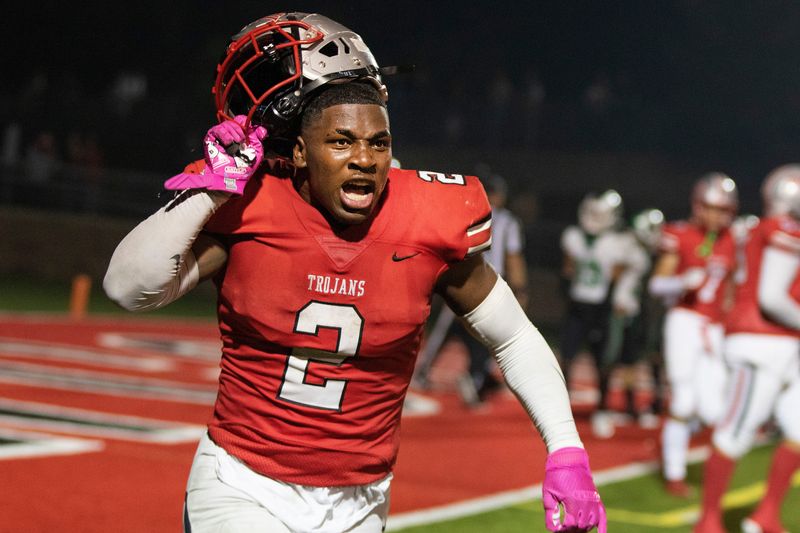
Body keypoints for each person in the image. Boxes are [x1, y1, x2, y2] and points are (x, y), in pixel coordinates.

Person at [103, 12, 606, 533]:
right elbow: (127, 287)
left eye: (378, 144)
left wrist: (566, 451)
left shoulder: (425, 221)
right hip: (242, 485)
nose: (363, 159)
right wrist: (212, 186)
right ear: (299, 151)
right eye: (340, 142)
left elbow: (515, 337)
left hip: (362, 501)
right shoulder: (251, 206)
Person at [694, 165, 800, 533]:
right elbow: (772, 297)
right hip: (762, 342)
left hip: (782, 344)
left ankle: (766, 514)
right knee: (734, 433)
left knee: (799, 427)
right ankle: (708, 520)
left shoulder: (757, 229)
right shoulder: (782, 229)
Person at [648, 172, 738, 498]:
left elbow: (730, 289)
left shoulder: (733, 240)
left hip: (714, 326)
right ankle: (674, 471)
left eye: (723, 209)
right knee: (684, 399)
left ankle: (672, 435)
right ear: (698, 206)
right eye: (711, 207)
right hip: (684, 321)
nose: (717, 215)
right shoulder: (681, 235)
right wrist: (682, 282)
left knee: (715, 409)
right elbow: (656, 284)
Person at [414, 173, 530, 406]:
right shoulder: (507, 221)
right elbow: (513, 258)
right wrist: (520, 289)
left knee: (445, 329)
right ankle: (477, 376)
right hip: (490, 283)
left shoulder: (464, 212)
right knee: (488, 333)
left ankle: (424, 371)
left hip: (460, 277)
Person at [559, 189, 648, 438]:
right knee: (566, 356)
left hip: (602, 306)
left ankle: (601, 408)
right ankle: (558, 411)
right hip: (578, 304)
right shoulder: (573, 236)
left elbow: (630, 269)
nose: (594, 218)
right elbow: (568, 270)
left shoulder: (619, 243)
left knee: (603, 361)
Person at [603, 208, 664, 429]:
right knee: (613, 355)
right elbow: (614, 273)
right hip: (622, 307)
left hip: (635, 308)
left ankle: (630, 406)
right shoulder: (628, 246)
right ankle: (607, 405)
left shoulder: (640, 249)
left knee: (631, 357)